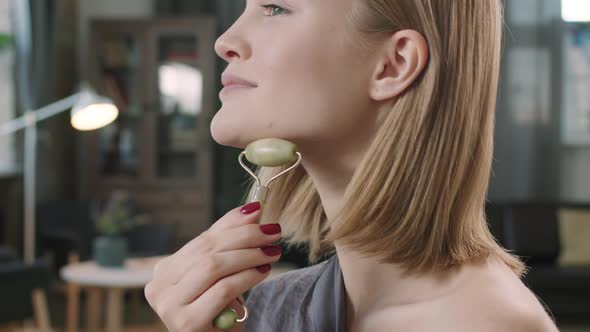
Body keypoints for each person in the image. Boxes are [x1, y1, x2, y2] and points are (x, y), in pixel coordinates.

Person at [145, 0, 560, 331]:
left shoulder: (492, 325)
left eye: (274, 9)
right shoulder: (267, 310)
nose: (225, 40)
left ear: (394, 63)